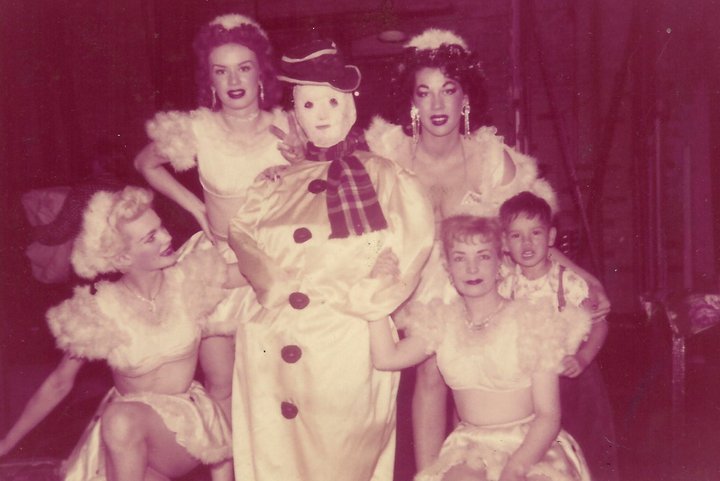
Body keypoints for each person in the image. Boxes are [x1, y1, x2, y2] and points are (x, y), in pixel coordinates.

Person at [364, 28, 611, 469]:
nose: (437, 105)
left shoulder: (491, 158)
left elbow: (528, 230)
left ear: (465, 97)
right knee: (429, 372)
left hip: (477, 279)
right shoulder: (389, 156)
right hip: (412, 281)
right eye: (425, 93)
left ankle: (481, 457)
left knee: (470, 371)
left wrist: (585, 276)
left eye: (448, 90)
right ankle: (430, 472)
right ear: (412, 102)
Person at [227, 39, 434, 481]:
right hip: (270, 349)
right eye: (307, 103)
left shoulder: (385, 177)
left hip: (345, 346)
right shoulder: (274, 183)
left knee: (342, 462)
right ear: (295, 113)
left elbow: (410, 248)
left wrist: (371, 296)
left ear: (350, 107)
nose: (320, 114)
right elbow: (240, 233)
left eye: (331, 102)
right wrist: (271, 282)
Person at [0, 186, 245, 480]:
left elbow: (254, 269)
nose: (167, 238)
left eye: (161, 228)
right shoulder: (100, 309)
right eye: (150, 237)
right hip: (127, 443)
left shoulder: (192, 277)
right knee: (121, 424)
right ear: (123, 258)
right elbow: (58, 384)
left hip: (188, 432)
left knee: (120, 418)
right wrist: (5, 444)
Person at [134, 13, 288, 421]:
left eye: (244, 68)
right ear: (211, 80)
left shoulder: (287, 126)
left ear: (261, 75)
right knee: (220, 384)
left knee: (274, 385)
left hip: (272, 268)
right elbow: (146, 162)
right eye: (222, 72)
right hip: (214, 267)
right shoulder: (197, 128)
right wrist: (196, 207)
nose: (234, 81)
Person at [368, 215, 592, 481]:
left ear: (499, 263)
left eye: (483, 256)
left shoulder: (532, 321)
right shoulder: (441, 322)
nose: (472, 269)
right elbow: (386, 358)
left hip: (533, 446)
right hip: (470, 448)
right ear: (448, 268)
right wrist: (377, 291)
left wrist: (515, 469)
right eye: (460, 258)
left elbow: (548, 416)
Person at [498, 191, 619, 481]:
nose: (527, 243)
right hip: (530, 382)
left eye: (535, 233)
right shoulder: (505, 286)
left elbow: (600, 325)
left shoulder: (568, 280)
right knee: (542, 452)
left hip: (572, 377)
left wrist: (583, 357)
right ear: (504, 243)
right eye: (516, 236)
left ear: (551, 237)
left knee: (591, 444)